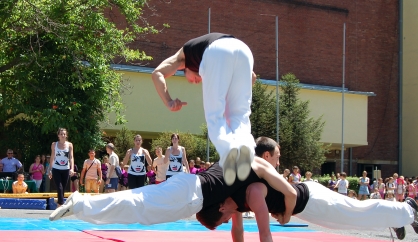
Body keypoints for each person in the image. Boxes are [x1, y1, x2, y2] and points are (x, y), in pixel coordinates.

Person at [195, 138, 418, 242]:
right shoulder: (232, 200)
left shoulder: (250, 192)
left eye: (221, 220)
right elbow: (238, 231)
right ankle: (397, 217)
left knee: (357, 214)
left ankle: (407, 210)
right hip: (308, 203)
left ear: (222, 206)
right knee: (356, 215)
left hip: (313, 200)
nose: (226, 222)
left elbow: (265, 232)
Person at [49, 139, 297, 228]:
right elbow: (290, 192)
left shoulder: (235, 156)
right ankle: (81, 204)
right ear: (266, 155)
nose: (278, 162)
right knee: (139, 207)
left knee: (137, 199)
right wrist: (285, 216)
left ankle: (82, 203)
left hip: (187, 184)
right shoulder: (261, 166)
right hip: (191, 195)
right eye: (277, 157)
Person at [152, 33, 257, 186]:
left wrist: (168, 101)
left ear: (184, 69)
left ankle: (229, 152)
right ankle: (245, 150)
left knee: (215, 115)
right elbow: (251, 77)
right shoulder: (200, 52)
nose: (196, 82)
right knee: (239, 115)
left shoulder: (182, 57)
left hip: (218, 51)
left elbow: (157, 73)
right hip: (244, 51)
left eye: (192, 80)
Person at [49, 128, 74, 206]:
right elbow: (52, 157)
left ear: (66, 135)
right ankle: (61, 204)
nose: (63, 135)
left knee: (63, 187)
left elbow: (71, 157)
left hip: (66, 168)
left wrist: (72, 168)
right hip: (56, 168)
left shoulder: (69, 145)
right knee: (59, 187)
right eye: (61, 134)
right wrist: (50, 169)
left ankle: (59, 204)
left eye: (64, 134)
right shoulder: (54, 144)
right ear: (58, 135)